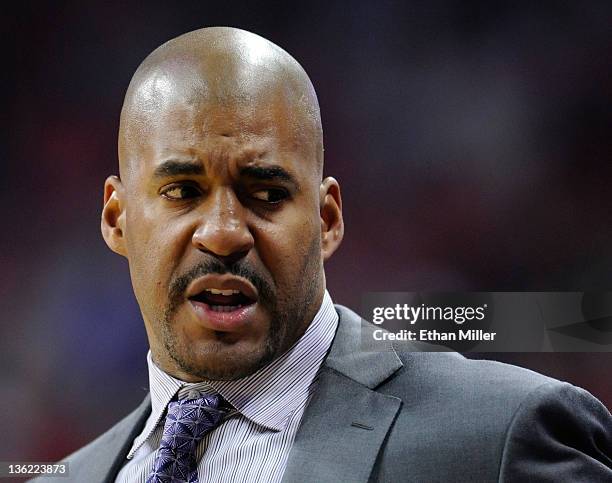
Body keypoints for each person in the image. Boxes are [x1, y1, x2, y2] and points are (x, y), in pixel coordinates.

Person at [40, 27, 611, 483]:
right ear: (117, 218)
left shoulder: (500, 438)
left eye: (266, 194)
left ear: (327, 219)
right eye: (182, 192)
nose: (223, 233)